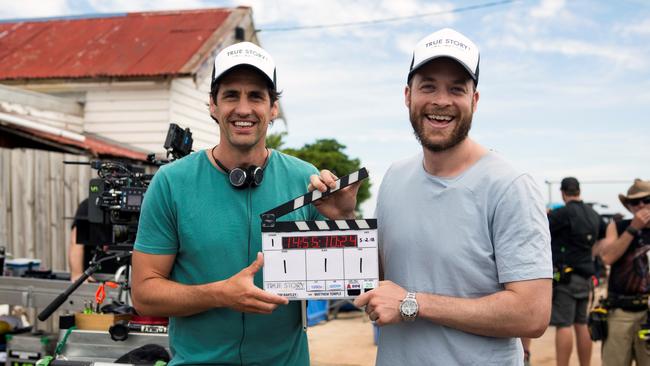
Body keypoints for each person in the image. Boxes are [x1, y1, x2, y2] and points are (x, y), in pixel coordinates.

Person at [130, 42, 358, 365]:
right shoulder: (171, 183)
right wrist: (219, 294)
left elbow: (352, 287)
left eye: (256, 96)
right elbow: (143, 294)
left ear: (273, 107)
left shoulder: (305, 181)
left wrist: (344, 218)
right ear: (212, 104)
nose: (243, 108)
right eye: (231, 95)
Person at [354, 28, 552, 365]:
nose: (441, 101)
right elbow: (378, 283)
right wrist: (344, 218)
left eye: (456, 89)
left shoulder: (509, 186)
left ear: (474, 101)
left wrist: (412, 304)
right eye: (428, 86)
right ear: (407, 95)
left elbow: (532, 313)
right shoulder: (394, 177)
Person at [548, 177, 605, 366]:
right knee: (581, 324)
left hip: (566, 278)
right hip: (586, 277)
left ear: (563, 193)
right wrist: (592, 255)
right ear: (579, 191)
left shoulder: (561, 214)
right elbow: (604, 239)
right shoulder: (593, 214)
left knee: (564, 325)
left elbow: (541, 230)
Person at [597, 179, 650, 366]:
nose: (641, 205)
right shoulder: (618, 226)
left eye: (646, 199)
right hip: (620, 312)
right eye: (635, 202)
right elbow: (607, 258)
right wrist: (633, 228)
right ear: (629, 206)